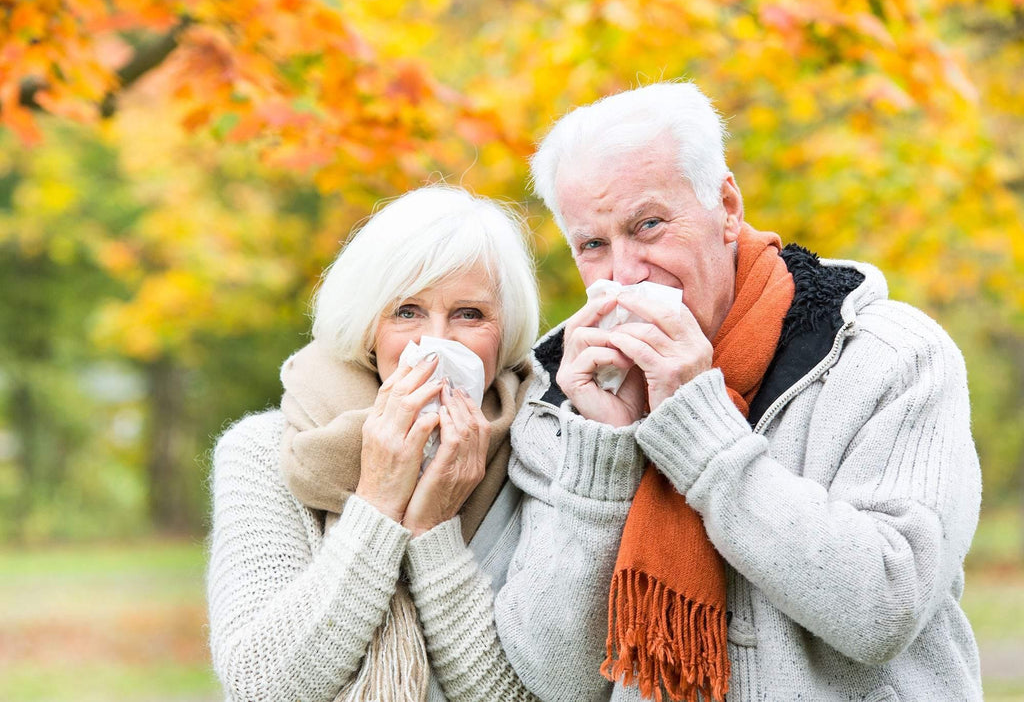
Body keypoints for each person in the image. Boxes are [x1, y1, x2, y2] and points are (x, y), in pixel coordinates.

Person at [492, 82, 982, 701]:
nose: (625, 273)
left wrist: (699, 428)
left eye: (648, 226)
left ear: (727, 207)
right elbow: (556, 678)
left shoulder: (890, 356)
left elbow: (886, 606)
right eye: (593, 245)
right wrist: (607, 454)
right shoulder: (559, 402)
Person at [207, 185, 542, 702]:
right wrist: (379, 501)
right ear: (367, 329)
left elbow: (525, 695)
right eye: (407, 311)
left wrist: (433, 534)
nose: (438, 341)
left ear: (507, 331)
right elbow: (261, 686)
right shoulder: (260, 451)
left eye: (470, 314)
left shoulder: (541, 451)